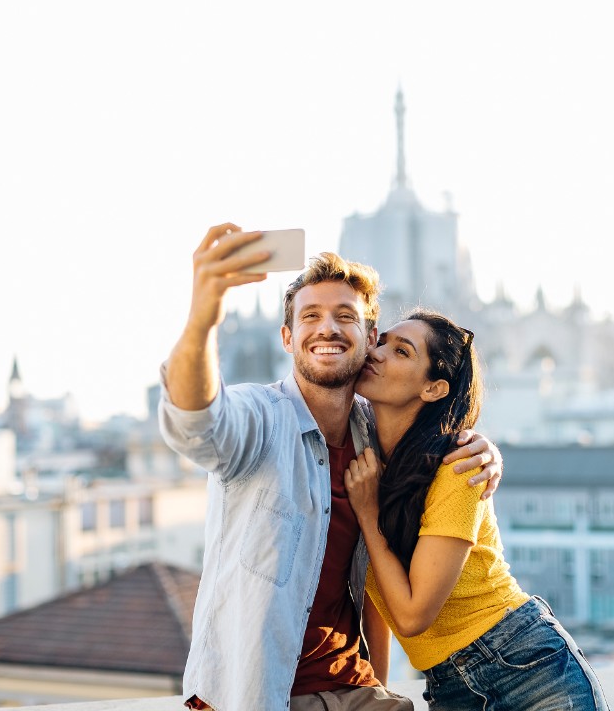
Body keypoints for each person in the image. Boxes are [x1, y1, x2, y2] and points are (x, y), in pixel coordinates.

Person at [158, 224, 505, 711]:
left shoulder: (378, 440)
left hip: (354, 689)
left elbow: (373, 583)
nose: (328, 328)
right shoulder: (260, 419)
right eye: (311, 316)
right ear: (287, 336)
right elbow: (196, 423)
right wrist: (203, 316)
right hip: (257, 695)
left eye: (346, 316)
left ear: (369, 339)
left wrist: (482, 446)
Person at [345, 309, 609, 711]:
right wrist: (376, 690)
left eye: (402, 352)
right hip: (451, 688)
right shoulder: (364, 462)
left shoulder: (458, 466)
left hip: (527, 667)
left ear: (433, 389)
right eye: (381, 342)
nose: (378, 353)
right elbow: (377, 593)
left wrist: (368, 515)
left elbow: (413, 616)